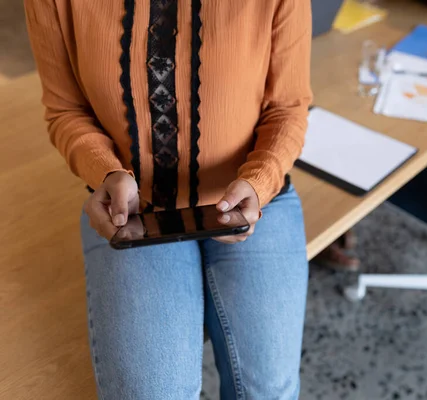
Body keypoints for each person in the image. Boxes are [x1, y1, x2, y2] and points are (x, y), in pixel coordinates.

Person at [24, 1, 312, 399]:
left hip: (257, 202)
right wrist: (104, 172)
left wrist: (260, 181)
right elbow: (65, 110)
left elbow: (288, 107)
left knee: (269, 393)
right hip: (132, 214)